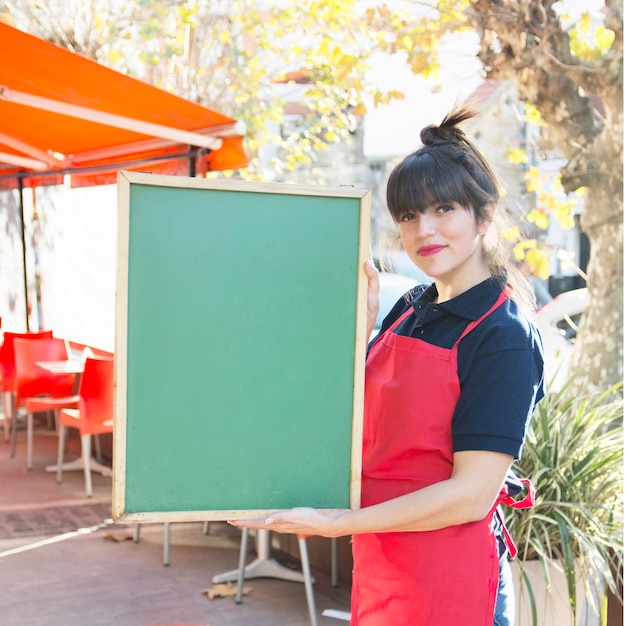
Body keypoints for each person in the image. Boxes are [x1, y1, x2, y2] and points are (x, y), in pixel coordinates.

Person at [230, 106, 545, 626]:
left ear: (483, 216)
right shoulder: (410, 306)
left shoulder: (502, 335)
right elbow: (355, 416)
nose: (424, 230)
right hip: (383, 566)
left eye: (444, 209)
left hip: (452, 581)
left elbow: (470, 496)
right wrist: (360, 329)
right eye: (407, 216)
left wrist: (340, 522)